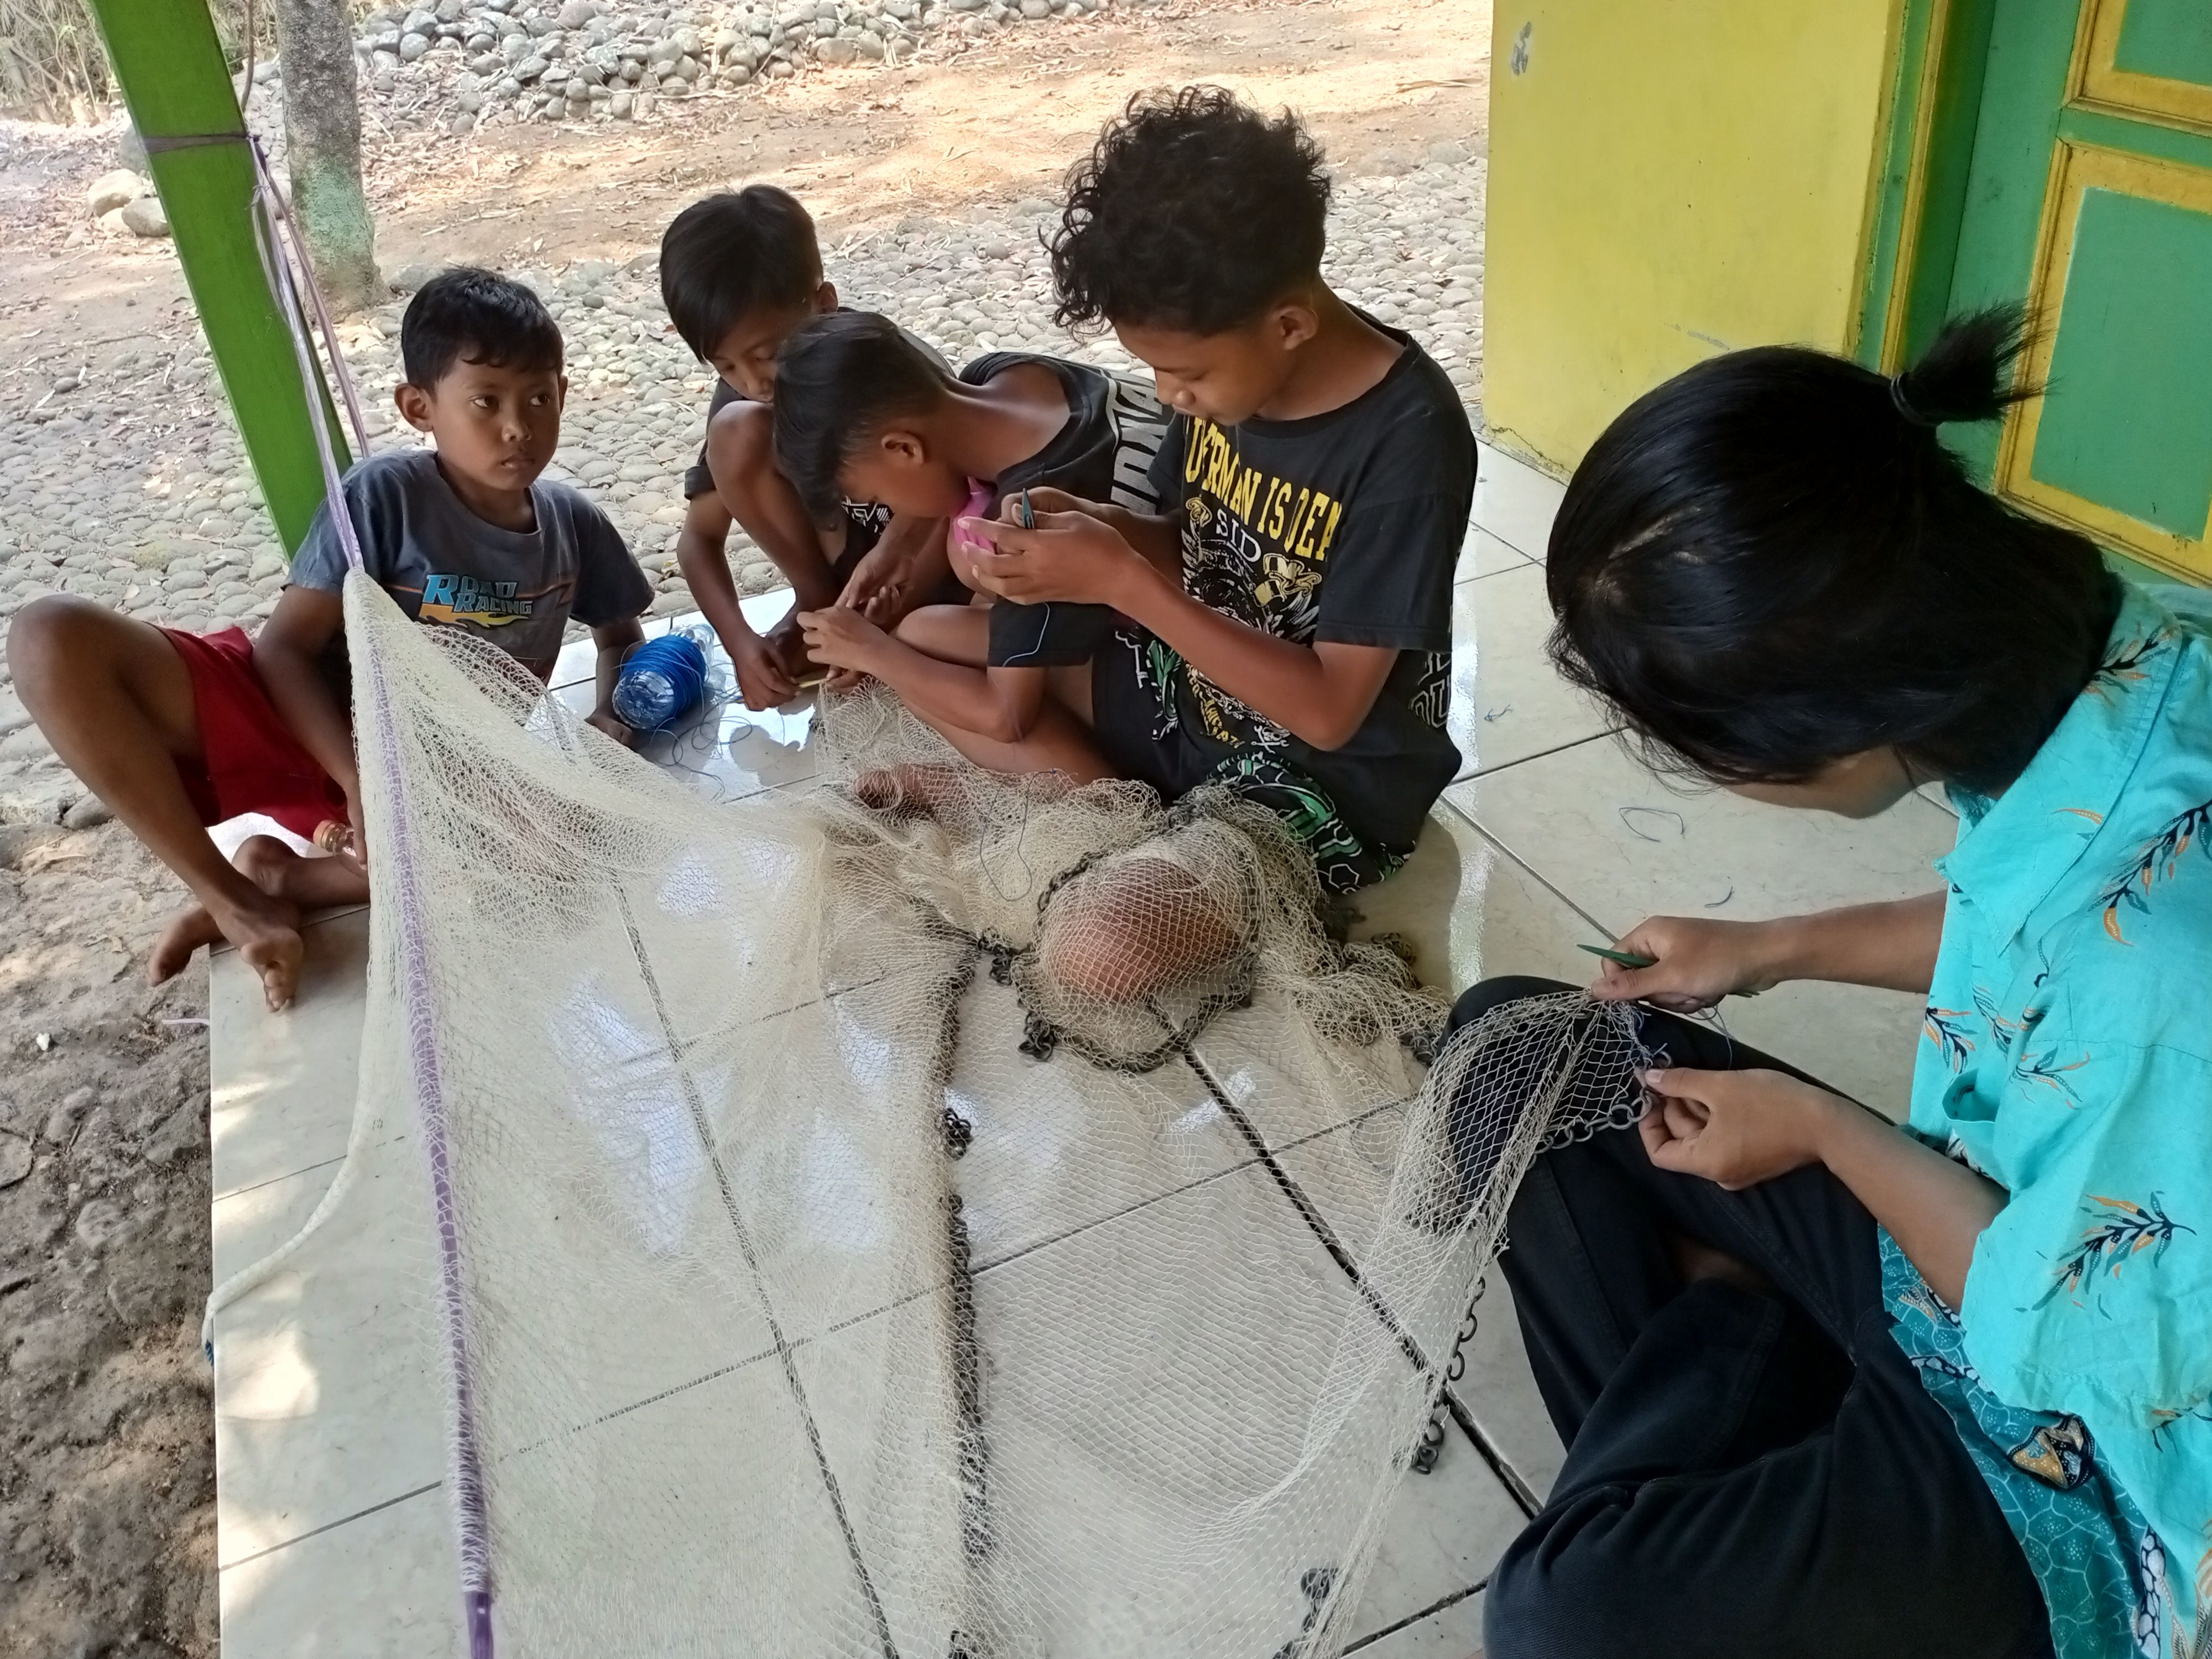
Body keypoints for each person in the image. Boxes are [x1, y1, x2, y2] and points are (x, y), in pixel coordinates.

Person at [1450, 309, 2211, 1659]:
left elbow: (2053, 1322)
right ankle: (1761, 1345)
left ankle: (1745, 1335)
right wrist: (1767, 948)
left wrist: (1818, 1132)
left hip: (2090, 1442)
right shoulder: (2118, 646)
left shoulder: (2170, 980)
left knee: (1566, 1619)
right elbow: (2038, 936)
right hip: (2002, 1236)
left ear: (1839, 732)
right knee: (1513, 1052)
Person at [930, 88, 1474, 995]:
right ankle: (1124, 808)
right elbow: (1198, 547)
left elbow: (1334, 712)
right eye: (1151, 368)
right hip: (1194, 698)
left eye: (1183, 373)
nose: (1166, 393)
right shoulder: (1234, 384)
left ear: (1290, 322)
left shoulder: (1407, 438)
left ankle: (1122, 820)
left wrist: (1122, 583)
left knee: (1097, 953)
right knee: (946, 640)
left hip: (1318, 783)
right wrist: (1103, 531)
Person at [8, 268, 651, 1013]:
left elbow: (620, 635)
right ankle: (226, 898)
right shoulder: (384, 496)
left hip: (441, 767)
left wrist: (614, 714)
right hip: (305, 722)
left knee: (553, 857)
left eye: (540, 399)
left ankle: (284, 881)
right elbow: (283, 651)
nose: (518, 427)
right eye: (486, 402)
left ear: (564, 396)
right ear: (419, 408)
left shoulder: (573, 526)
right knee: (48, 636)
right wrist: (360, 785)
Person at [772, 308, 1170, 769]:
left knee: (920, 640)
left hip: (1191, 685)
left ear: (903, 449)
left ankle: (1098, 795)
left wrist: (875, 653)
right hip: (1208, 569)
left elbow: (1005, 716)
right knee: (962, 596)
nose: (892, 509)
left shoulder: (1033, 515)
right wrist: (895, 547)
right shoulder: (1008, 375)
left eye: (877, 493)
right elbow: (947, 463)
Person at [659, 187, 953, 709]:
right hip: (849, 566)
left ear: (825, 305)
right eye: (726, 366)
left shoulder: (884, 365)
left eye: (769, 354)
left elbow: (956, 491)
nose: (754, 382)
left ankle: (873, 630)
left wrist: (882, 609)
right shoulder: (744, 397)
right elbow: (698, 542)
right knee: (736, 433)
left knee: (935, 602)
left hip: (926, 548)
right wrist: (741, 645)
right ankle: (821, 608)